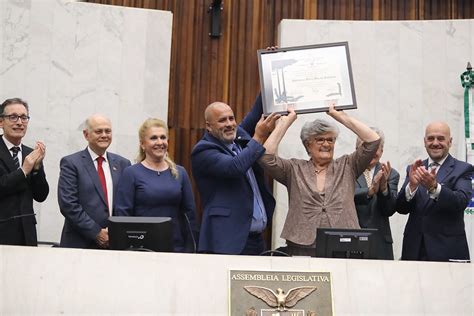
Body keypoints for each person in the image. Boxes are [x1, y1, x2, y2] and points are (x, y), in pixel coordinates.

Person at [259, 105, 380, 256]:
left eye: (330, 140)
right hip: (301, 245)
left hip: (343, 244)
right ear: (308, 144)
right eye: (320, 139)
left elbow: (373, 140)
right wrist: (285, 123)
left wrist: (342, 117)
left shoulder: (348, 165)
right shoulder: (294, 169)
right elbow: (266, 157)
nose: (326, 144)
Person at [191, 95, 279, 255]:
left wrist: (271, 75)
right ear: (208, 126)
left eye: (232, 118)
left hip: (256, 239)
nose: (230, 124)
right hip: (227, 241)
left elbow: (258, 110)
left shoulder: (239, 137)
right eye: (222, 120)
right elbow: (235, 167)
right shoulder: (203, 150)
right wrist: (258, 137)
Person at [115, 118, 198, 252]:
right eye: (154, 138)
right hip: (141, 249)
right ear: (143, 144)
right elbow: (122, 214)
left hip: (176, 248)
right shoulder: (131, 173)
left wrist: (190, 248)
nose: (160, 142)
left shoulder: (180, 173)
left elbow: (190, 215)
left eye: (163, 137)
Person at [396, 121, 473, 261]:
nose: (435, 142)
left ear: (450, 142)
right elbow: (401, 208)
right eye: (431, 138)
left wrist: (434, 188)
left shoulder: (463, 169)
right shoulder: (414, 168)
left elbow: (460, 201)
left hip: (447, 252)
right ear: (424, 142)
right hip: (414, 252)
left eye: (441, 138)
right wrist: (411, 187)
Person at [58, 114, 131, 249]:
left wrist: (116, 231)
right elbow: (68, 204)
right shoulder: (71, 163)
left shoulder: (123, 164)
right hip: (80, 243)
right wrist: (96, 232)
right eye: (98, 131)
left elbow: (126, 203)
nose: (104, 135)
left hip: (114, 242)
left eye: (108, 131)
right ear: (86, 135)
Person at [0, 97, 49, 246]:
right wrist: (24, 170)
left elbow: (41, 196)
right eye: (13, 117)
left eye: (24, 117)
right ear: (1, 122)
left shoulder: (30, 153)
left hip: (27, 234)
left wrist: (36, 169)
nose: (20, 122)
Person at [354, 127, 399, 260]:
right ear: (356, 149)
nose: (371, 152)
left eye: (376, 148)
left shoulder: (391, 174)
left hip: (380, 243)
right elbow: (345, 197)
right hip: (352, 238)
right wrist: (369, 191)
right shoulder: (348, 171)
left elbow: (389, 210)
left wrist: (384, 188)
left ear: (382, 151)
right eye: (366, 147)